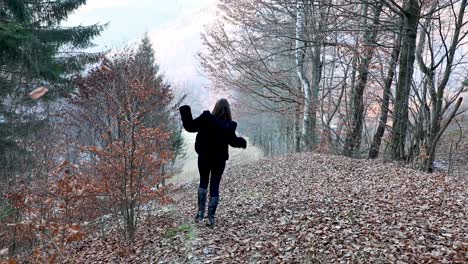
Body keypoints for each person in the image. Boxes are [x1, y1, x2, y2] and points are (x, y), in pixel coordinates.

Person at [179, 99, 247, 227]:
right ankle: (211, 218)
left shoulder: (206, 118)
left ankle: (200, 213)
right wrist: (242, 142)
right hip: (219, 160)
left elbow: (190, 127)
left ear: (215, 107)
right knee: (215, 185)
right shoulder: (229, 125)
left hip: (204, 157)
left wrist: (185, 110)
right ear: (228, 110)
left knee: (203, 182)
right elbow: (233, 141)